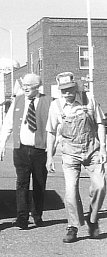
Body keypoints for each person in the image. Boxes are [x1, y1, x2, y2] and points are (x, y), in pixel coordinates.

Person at [46, 72, 106, 243]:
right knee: (71, 192)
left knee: (101, 186)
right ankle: (72, 226)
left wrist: (103, 148)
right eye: (64, 91)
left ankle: (92, 220)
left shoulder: (89, 100)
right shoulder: (56, 106)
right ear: (59, 91)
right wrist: (49, 156)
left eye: (71, 90)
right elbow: (50, 133)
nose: (68, 94)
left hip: (92, 150)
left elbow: (100, 124)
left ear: (76, 87)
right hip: (70, 153)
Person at [0, 73, 52, 229]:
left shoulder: (48, 101)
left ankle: (37, 215)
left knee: (39, 184)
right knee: (21, 183)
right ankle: (22, 218)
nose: (25, 88)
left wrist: (53, 150)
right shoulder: (18, 100)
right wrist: (2, 144)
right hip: (21, 149)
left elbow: (55, 127)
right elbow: (8, 123)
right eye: (24, 85)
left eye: (29, 85)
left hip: (40, 150)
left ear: (37, 87)